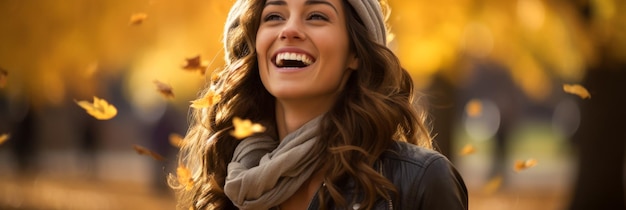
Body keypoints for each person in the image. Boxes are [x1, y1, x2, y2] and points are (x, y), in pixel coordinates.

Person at [171, 0, 468, 209]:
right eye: (274, 16)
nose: (289, 30)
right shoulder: (226, 181)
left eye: (316, 16)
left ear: (355, 53)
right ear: (254, 45)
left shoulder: (421, 182)